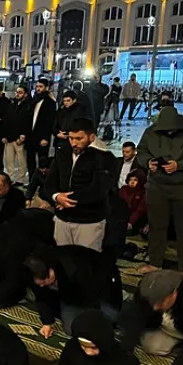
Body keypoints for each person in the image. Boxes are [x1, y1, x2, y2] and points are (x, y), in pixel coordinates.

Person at [136, 106, 183, 274]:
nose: (168, 133)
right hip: (157, 186)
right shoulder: (151, 132)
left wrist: (180, 166)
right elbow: (141, 151)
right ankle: (155, 262)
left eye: (171, 130)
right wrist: (148, 162)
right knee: (156, 226)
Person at [25, 244, 122, 337]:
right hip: (70, 297)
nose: (41, 286)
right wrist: (47, 322)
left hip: (99, 288)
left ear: (51, 271)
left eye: (43, 282)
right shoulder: (36, 272)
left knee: (112, 317)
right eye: (39, 284)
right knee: (71, 328)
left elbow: (92, 292)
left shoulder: (74, 269)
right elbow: (41, 297)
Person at [46, 118, 110, 251]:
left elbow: (99, 190)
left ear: (91, 137)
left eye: (79, 138)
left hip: (89, 221)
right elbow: (50, 182)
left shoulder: (103, 157)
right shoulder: (62, 153)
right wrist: (57, 197)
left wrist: (67, 199)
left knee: (86, 263)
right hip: (62, 219)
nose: (74, 143)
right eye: (71, 138)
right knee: (62, 261)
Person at [26, 78, 56, 177]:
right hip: (31, 135)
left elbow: (49, 121)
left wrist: (46, 137)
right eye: (37, 86)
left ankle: (43, 182)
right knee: (30, 160)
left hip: (42, 137)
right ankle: (32, 180)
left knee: (42, 161)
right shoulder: (34, 100)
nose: (38, 89)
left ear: (46, 88)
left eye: (41, 87)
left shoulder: (50, 102)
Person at [6, 84, 32, 185]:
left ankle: (21, 180)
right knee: (9, 160)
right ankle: (10, 178)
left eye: (20, 92)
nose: (17, 94)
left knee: (21, 161)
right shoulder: (12, 104)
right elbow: (7, 120)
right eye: (17, 92)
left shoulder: (28, 106)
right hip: (9, 137)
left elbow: (27, 122)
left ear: (25, 94)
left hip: (20, 137)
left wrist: (23, 135)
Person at [53, 90, 91, 155]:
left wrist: (67, 133)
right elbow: (54, 124)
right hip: (60, 142)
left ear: (74, 100)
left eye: (68, 101)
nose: (65, 103)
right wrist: (57, 133)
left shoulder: (80, 111)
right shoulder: (61, 110)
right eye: (64, 101)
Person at [119, 170, 148, 235]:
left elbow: (140, 210)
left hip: (135, 221)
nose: (132, 182)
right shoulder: (123, 189)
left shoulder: (143, 192)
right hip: (121, 219)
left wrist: (130, 222)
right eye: (130, 179)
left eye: (135, 180)